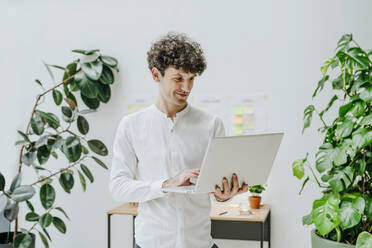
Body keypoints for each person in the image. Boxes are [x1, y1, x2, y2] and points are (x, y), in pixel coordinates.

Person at [109, 32, 248, 248]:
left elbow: (217, 190)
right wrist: (166, 184)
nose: (187, 87)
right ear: (156, 75)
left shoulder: (211, 124)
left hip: (199, 242)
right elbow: (118, 187)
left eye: (191, 79)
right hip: (151, 243)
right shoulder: (131, 125)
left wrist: (224, 195)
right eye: (178, 78)